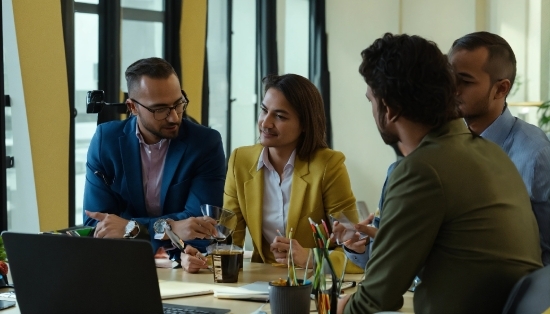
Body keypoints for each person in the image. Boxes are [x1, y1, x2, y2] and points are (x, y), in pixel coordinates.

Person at [337, 33, 542, 314]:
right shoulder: (492, 154)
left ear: (389, 108)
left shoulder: (422, 170)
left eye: (371, 100)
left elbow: (374, 301)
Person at [83, 57, 226, 271]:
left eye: (178, 104)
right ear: (132, 107)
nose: (174, 117)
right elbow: (96, 224)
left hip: (184, 266)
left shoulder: (205, 143)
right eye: (160, 109)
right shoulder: (106, 140)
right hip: (120, 266)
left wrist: (129, 227)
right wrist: (172, 227)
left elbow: (200, 224)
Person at [218, 73, 363, 273]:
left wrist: (309, 257)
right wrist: (201, 258)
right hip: (261, 280)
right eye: (264, 110)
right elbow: (227, 238)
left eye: (279, 116)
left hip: (311, 282)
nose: (265, 123)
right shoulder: (240, 161)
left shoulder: (329, 165)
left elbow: (355, 251)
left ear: (305, 124)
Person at [448, 31, 550, 266]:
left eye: (465, 81)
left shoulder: (536, 156)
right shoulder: (444, 143)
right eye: (449, 78)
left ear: (501, 89)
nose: (453, 89)